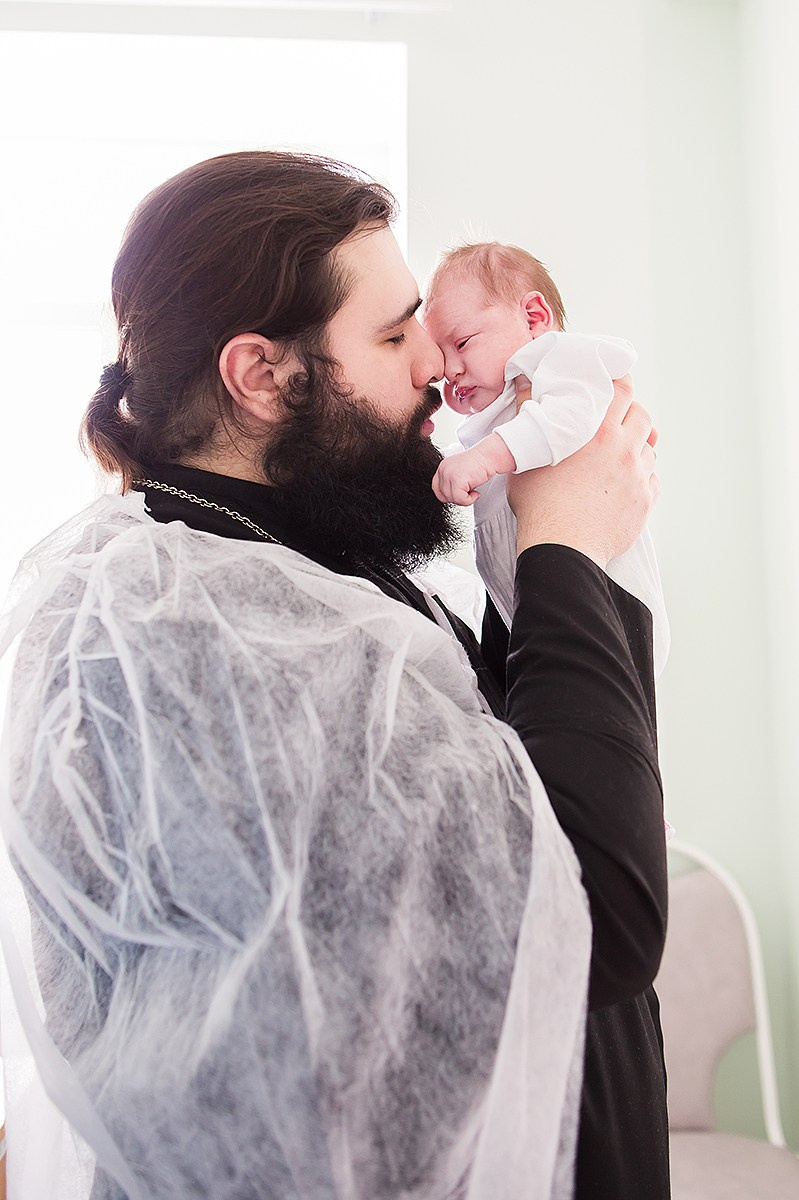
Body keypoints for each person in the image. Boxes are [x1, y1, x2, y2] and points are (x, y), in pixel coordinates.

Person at [0, 151, 668, 1200]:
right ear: (262, 375)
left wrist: (555, 540)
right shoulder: (200, 621)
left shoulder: (306, 564)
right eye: (395, 335)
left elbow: (524, 792)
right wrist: (566, 549)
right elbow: (597, 915)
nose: (433, 363)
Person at [423, 242, 670, 677]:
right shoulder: (497, 422)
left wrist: (484, 458)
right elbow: (490, 455)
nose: (452, 371)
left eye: (462, 343)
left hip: (612, 601)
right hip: (531, 609)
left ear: (534, 317)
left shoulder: (557, 362)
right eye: (444, 363)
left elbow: (572, 417)